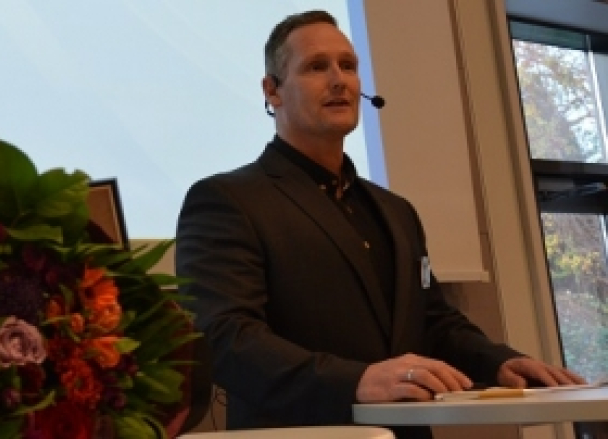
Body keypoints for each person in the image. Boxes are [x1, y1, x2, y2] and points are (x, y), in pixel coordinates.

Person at [175, 10, 585, 439]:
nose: (339, 80)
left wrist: (498, 362)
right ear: (272, 90)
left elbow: (433, 321)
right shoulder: (228, 200)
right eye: (316, 67)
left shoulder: (396, 211)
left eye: (348, 66)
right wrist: (354, 382)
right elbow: (223, 338)